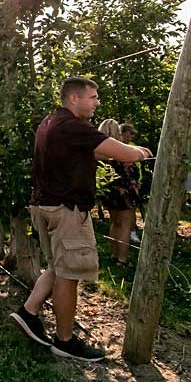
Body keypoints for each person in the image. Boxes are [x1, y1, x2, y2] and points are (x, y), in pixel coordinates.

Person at [12, 77, 153, 361]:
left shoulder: (50, 122)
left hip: (44, 205)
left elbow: (95, 150)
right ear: (74, 99)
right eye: (93, 97)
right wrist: (141, 152)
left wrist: (120, 154)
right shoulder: (74, 126)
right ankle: (64, 341)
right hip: (67, 210)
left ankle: (28, 312)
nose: (97, 102)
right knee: (69, 274)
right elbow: (123, 152)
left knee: (56, 266)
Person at [96, 119, 147, 265]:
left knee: (114, 222)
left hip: (108, 190)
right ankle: (122, 259)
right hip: (124, 192)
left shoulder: (99, 150)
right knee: (125, 224)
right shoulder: (120, 151)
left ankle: (114, 253)